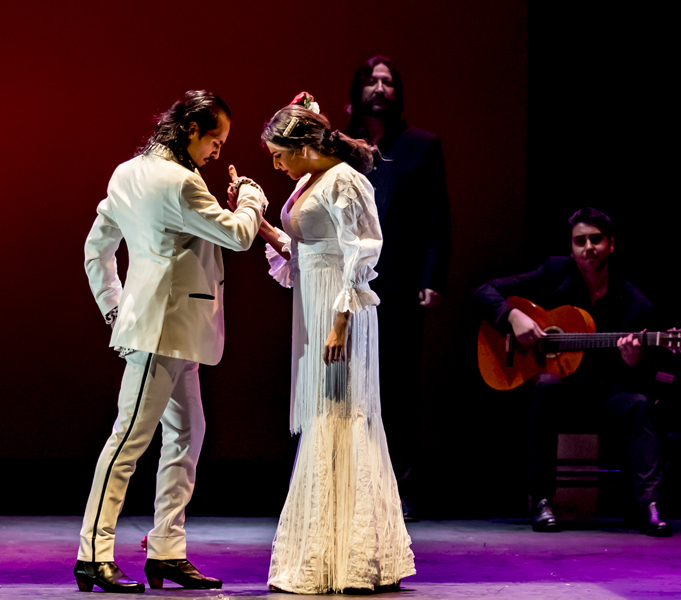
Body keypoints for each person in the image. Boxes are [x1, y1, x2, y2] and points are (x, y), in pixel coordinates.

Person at [77, 90, 268, 593]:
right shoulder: (182, 183)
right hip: (162, 331)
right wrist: (251, 195)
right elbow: (240, 235)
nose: (218, 153)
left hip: (164, 329)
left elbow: (96, 251)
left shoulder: (127, 172)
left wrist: (116, 310)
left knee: (187, 435)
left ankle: (166, 551)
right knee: (128, 441)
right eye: (215, 141)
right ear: (190, 130)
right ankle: (92, 555)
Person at [252, 93, 415, 594]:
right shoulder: (308, 180)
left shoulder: (346, 180)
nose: (277, 164)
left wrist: (340, 322)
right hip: (315, 302)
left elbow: (362, 251)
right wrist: (258, 220)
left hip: (341, 312)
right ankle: (326, 553)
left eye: (279, 153)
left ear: (303, 145)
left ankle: (353, 557)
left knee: (341, 415)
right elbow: (303, 251)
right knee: (324, 418)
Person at [474, 208, 673, 537]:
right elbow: (483, 291)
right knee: (547, 385)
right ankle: (541, 501)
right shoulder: (555, 272)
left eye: (596, 239)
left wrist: (633, 360)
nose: (588, 247)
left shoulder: (635, 304)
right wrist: (512, 316)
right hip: (558, 393)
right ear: (571, 249)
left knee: (638, 404)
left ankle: (650, 505)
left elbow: (643, 377)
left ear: (611, 245)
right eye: (580, 241)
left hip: (601, 394)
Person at [345, 55, 451, 516]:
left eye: (388, 81)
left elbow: (436, 217)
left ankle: (401, 488)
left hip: (401, 283)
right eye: (372, 80)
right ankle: (350, 485)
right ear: (358, 90)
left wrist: (433, 277)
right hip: (348, 282)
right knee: (347, 385)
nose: (380, 88)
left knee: (399, 389)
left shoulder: (421, 146)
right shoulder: (342, 144)